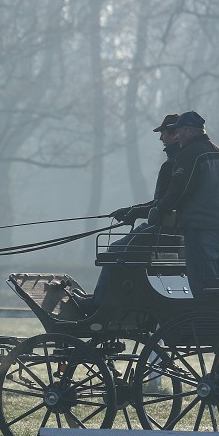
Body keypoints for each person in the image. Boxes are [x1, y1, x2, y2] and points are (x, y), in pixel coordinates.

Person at [69, 113, 181, 312]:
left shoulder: (173, 164)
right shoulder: (181, 162)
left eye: (163, 133)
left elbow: (163, 204)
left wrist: (135, 212)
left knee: (114, 252)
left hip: (163, 231)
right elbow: (162, 202)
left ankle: (98, 304)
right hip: (170, 230)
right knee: (121, 247)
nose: (160, 138)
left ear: (174, 134)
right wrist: (132, 210)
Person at [148, 110, 219, 296]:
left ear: (190, 131)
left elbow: (180, 189)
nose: (176, 135)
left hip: (201, 226)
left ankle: (207, 320)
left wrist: (160, 209)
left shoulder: (190, 154)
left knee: (203, 282)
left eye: (179, 131)